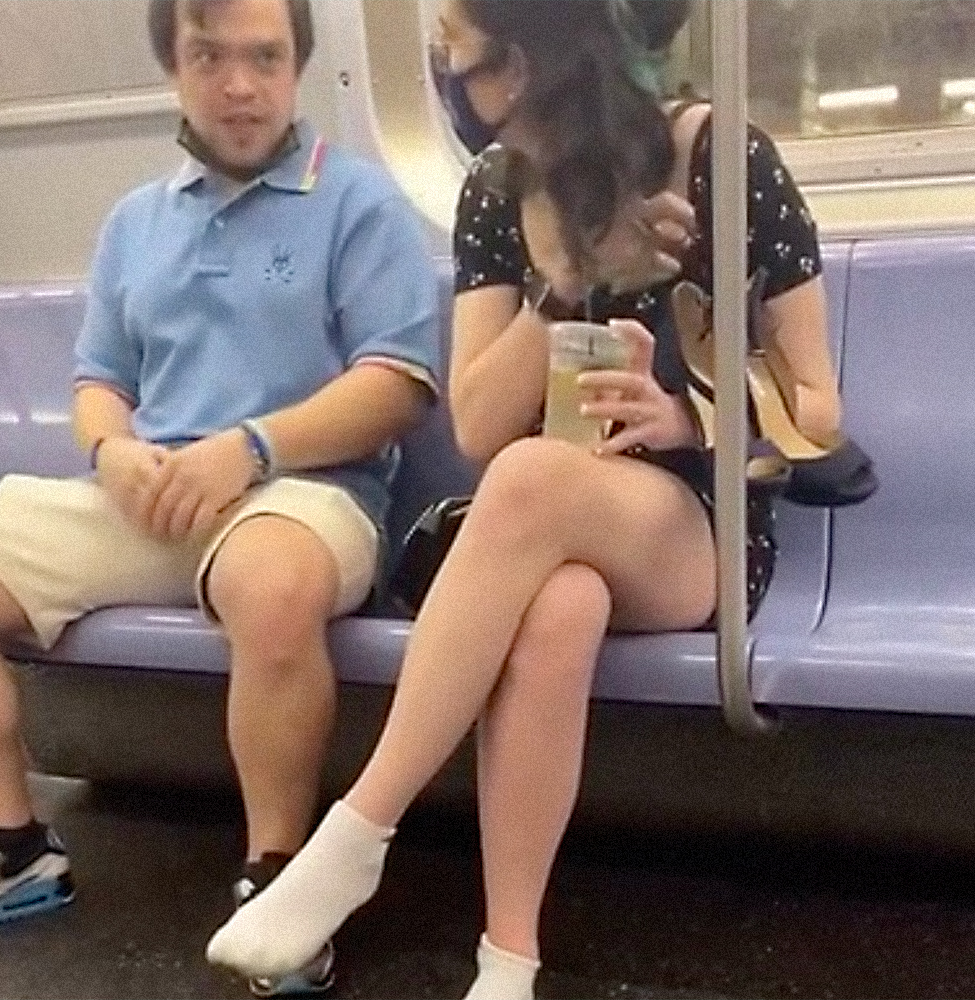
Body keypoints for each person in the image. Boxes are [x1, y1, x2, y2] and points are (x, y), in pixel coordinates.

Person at [206, 2, 845, 998]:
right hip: (550, 523)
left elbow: (816, 405)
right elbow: (472, 423)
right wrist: (558, 289)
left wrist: (690, 412)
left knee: (527, 480)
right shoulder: (496, 195)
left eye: (456, 60)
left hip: (696, 517)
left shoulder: (719, 157)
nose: (449, 85)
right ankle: (507, 960)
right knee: (558, 604)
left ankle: (358, 830)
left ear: (523, 61)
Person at [0, 0, 443, 992]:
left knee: (268, 584)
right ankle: (13, 842)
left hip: (306, 491)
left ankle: (278, 876)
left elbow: (396, 384)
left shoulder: (358, 205)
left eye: (263, 58)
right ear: (173, 67)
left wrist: (249, 448)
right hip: (154, 491)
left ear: (295, 70)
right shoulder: (134, 223)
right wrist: (111, 450)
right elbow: (98, 381)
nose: (239, 83)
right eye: (210, 57)